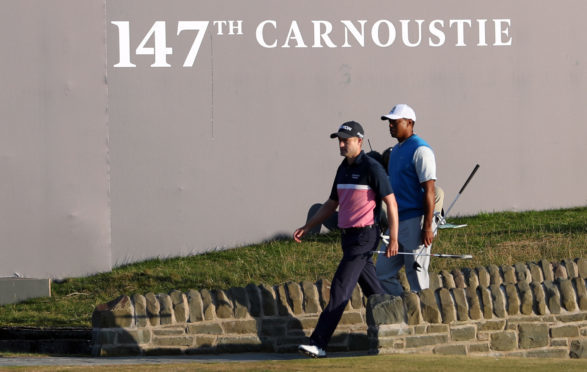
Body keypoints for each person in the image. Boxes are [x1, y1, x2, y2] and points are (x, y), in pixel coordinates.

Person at [293, 121, 399, 358]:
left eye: (346, 140)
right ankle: (395, 325)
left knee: (340, 288)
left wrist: (393, 239)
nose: (341, 144)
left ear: (359, 142)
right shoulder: (342, 168)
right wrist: (309, 226)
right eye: (339, 140)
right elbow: (332, 203)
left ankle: (318, 343)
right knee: (374, 291)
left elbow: (391, 203)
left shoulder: (372, 168)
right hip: (348, 237)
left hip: (365, 237)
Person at [376, 104, 437, 296]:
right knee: (382, 273)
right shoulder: (394, 152)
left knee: (416, 274)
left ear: (409, 123)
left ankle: (424, 319)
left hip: (415, 221)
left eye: (395, 122)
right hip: (396, 222)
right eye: (389, 122)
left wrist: (427, 226)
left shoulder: (421, 150)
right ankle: (404, 309)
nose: (391, 125)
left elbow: (429, 190)